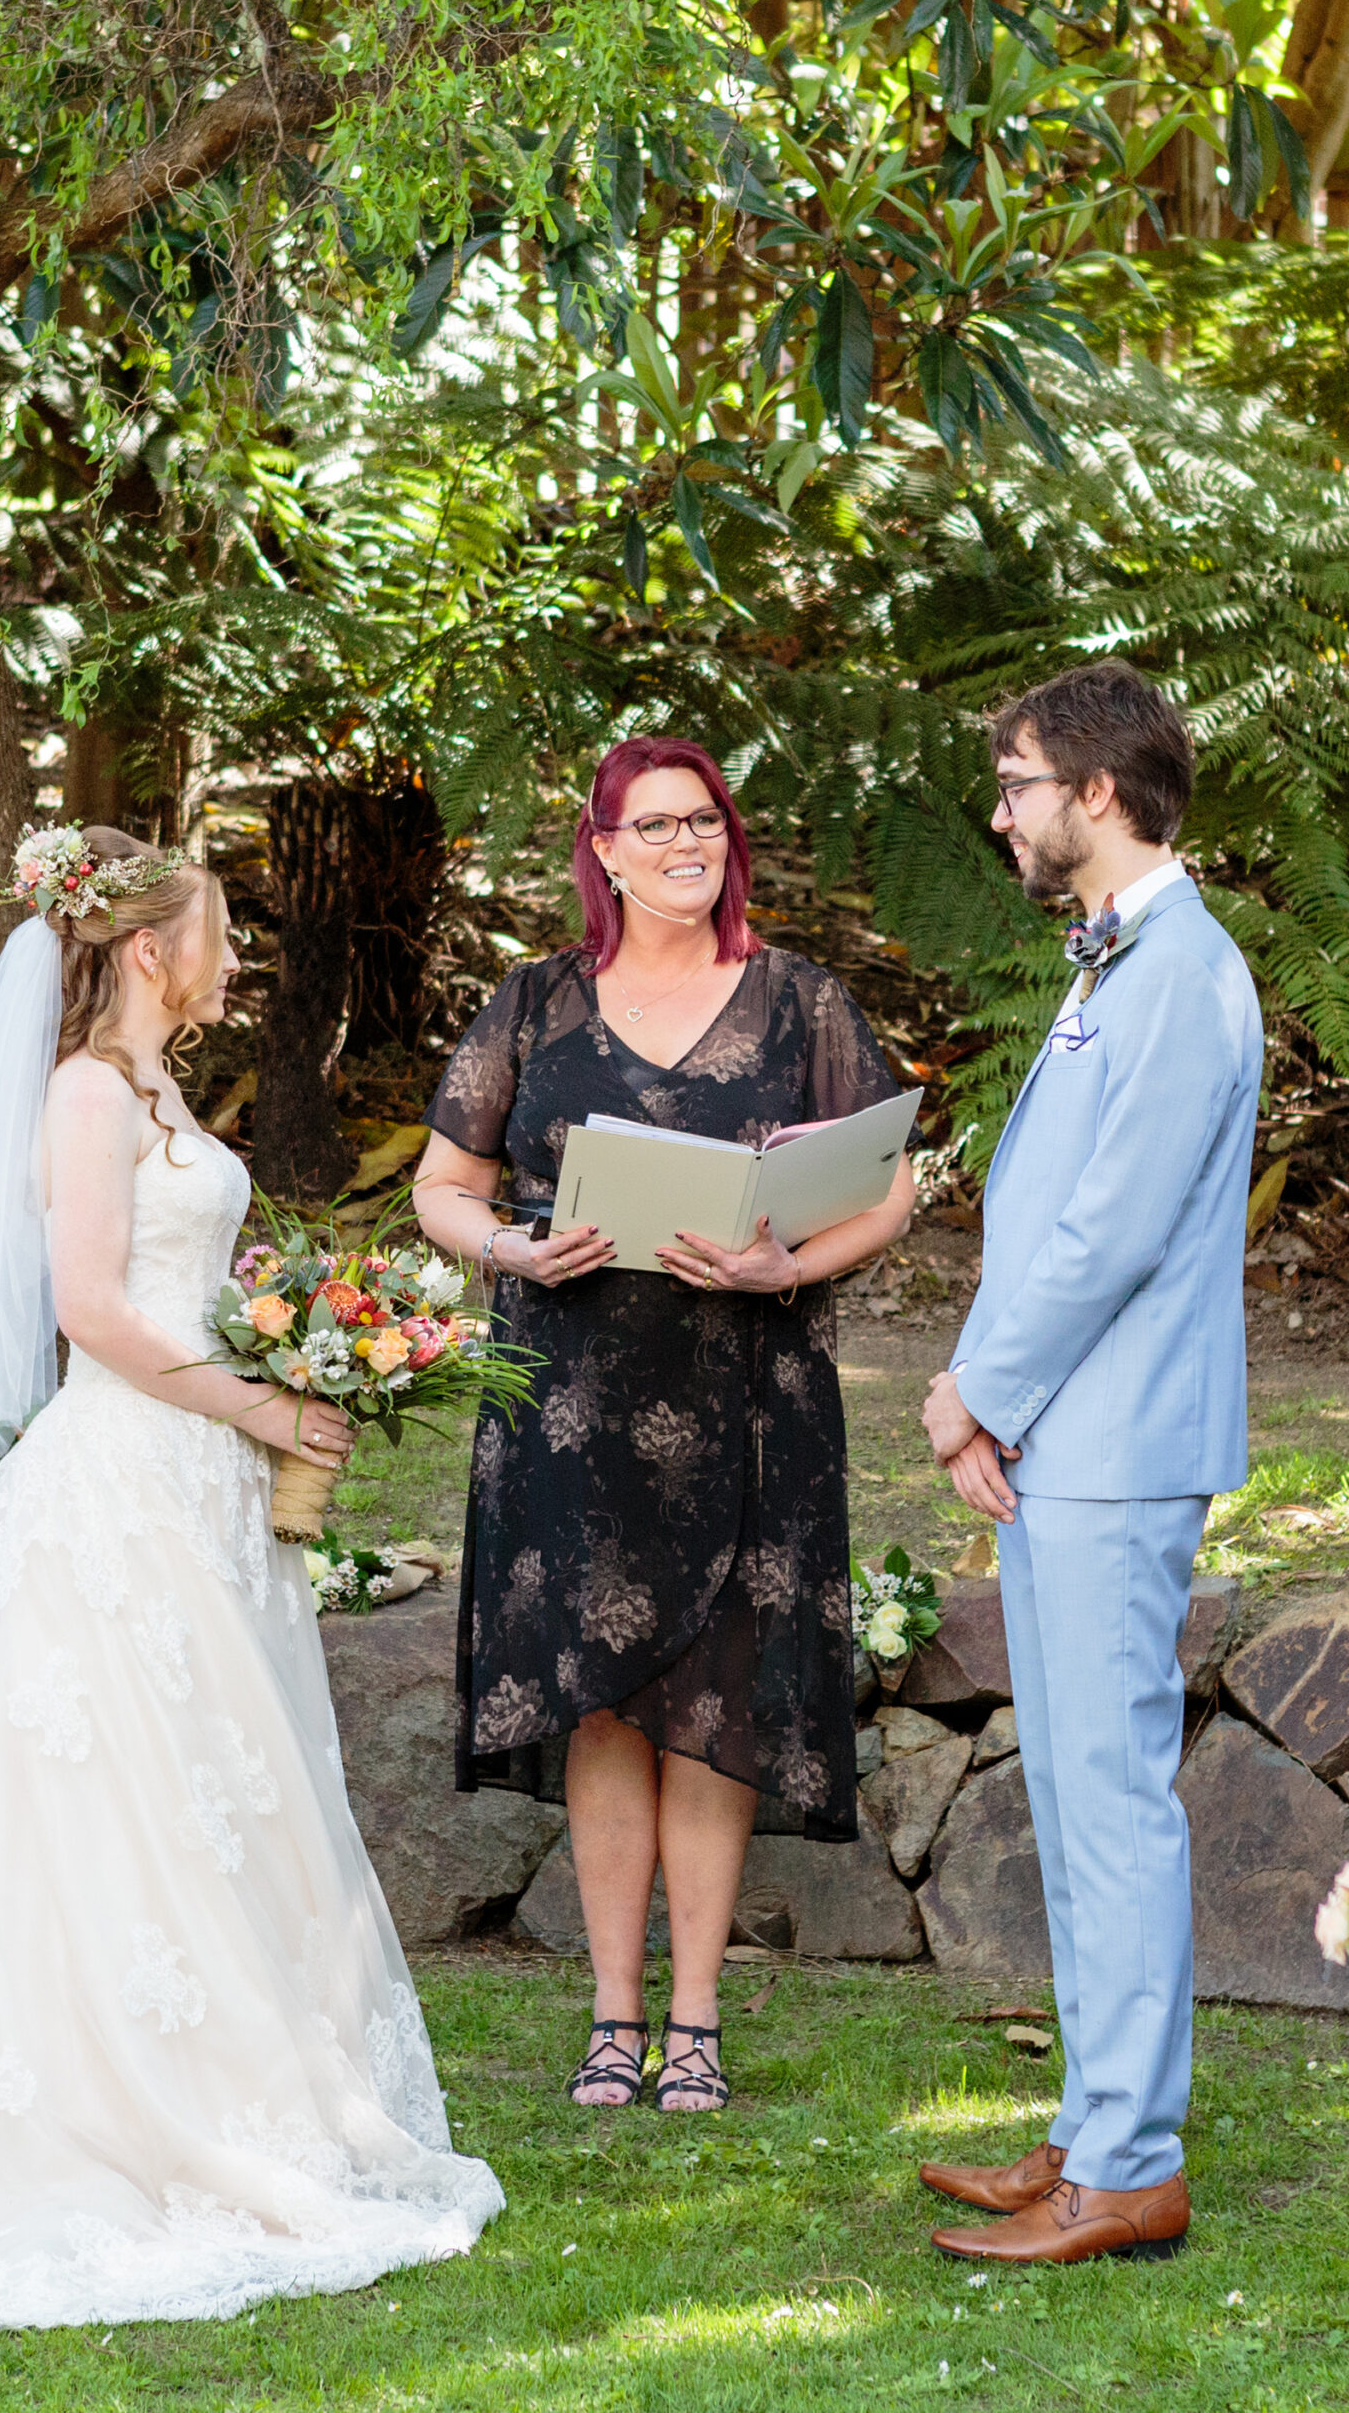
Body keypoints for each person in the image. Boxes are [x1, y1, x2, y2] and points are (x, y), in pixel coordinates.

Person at [0, 827, 501, 2326]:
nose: (230, 956)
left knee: (208, 1783)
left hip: (199, 1485)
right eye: (214, 930)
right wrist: (265, 1403)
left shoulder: (157, 1089)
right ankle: (106, 2093)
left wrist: (301, 1344)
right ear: (150, 948)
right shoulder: (87, 1091)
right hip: (126, 1480)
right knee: (116, 1787)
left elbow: (183, 1282)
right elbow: (91, 1309)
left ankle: (236, 2073)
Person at [413, 739, 915, 2114]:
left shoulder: (804, 1002)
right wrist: (510, 1254)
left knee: (714, 1706)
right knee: (601, 1703)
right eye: (659, 824)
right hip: (572, 1401)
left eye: (708, 820)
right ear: (608, 851)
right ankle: (611, 2015)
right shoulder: (532, 1005)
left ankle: (694, 2017)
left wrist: (790, 1264)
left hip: (751, 1396)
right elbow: (442, 1187)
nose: (689, 842)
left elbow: (887, 1189)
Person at [917, 662, 1262, 2266]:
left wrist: (979, 1388)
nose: (1004, 811)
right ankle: (1092, 2124)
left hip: (1120, 1441)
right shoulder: (1116, 963)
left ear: (1098, 795)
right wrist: (1010, 1416)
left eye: (1018, 781)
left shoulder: (1185, 972)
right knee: (1069, 1789)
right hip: (1074, 1433)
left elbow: (1111, 1227)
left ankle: (1130, 2163)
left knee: (1112, 1798)